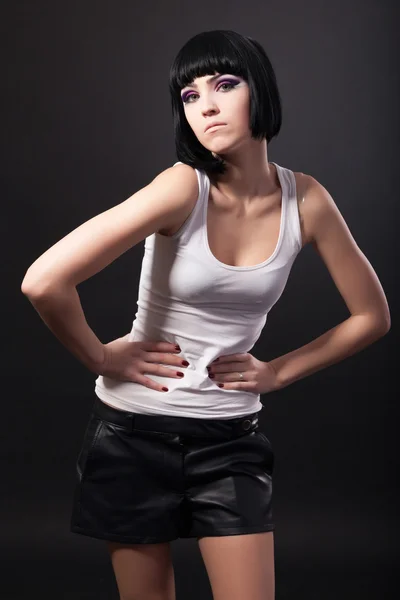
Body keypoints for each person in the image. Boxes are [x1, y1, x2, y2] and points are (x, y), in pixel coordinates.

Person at [21, 29, 390, 600]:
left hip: (230, 441)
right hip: (131, 433)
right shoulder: (180, 187)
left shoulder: (307, 199)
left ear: (259, 90)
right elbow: (43, 282)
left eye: (224, 84)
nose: (207, 106)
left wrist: (277, 372)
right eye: (189, 95)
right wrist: (100, 355)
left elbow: (372, 316)